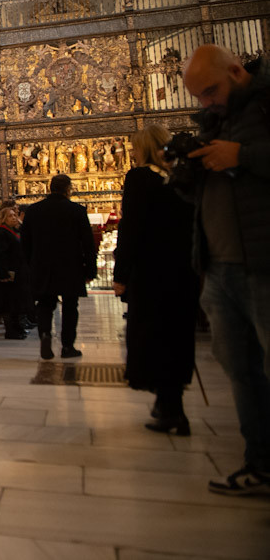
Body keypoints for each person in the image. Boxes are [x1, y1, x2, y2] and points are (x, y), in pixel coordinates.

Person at [182, 45, 270, 496]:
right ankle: (260, 463)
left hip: (263, 264)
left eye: (210, 91)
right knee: (240, 370)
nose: (206, 102)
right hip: (219, 267)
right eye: (198, 96)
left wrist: (244, 155)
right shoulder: (212, 121)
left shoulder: (265, 105)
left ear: (236, 71)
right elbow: (200, 197)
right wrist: (185, 172)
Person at [112, 125, 198, 435]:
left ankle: (170, 408)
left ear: (144, 148)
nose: (133, 154)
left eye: (135, 148)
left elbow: (131, 228)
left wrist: (121, 274)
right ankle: (170, 404)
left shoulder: (140, 178)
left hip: (152, 273)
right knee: (177, 337)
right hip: (183, 272)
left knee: (153, 337)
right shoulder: (181, 178)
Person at [20, 173, 97, 360]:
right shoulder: (77, 211)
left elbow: (25, 243)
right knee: (70, 306)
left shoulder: (33, 211)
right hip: (71, 265)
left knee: (45, 304)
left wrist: (31, 265)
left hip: (42, 265)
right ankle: (67, 346)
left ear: (50, 188)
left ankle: (45, 334)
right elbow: (88, 243)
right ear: (68, 189)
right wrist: (90, 269)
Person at [0, 207, 30, 340]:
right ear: (3, 219)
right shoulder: (1, 233)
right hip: (7, 274)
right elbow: (0, 255)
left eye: (14, 215)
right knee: (8, 302)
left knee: (16, 301)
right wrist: (4, 273)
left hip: (17, 272)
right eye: (10, 216)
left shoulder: (13, 231)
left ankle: (17, 327)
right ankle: (10, 330)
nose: (14, 217)